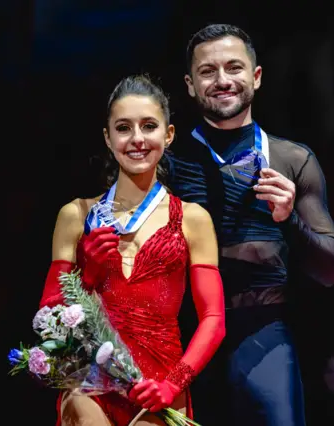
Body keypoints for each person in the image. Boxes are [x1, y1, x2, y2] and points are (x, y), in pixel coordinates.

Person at [166, 24, 334, 425]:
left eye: (234, 67)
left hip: (264, 340)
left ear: (256, 77)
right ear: (191, 85)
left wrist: (289, 220)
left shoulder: (291, 160)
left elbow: (331, 270)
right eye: (208, 71)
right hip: (183, 339)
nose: (222, 80)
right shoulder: (166, 164)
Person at [38, 75, 226, 425]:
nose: (137, 139)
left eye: (149, 126)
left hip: (156, 388)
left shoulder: (193, 219)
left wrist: (173, 385)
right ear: (108, 139)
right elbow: (48, 319)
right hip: (90, 385)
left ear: (168, 136)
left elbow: (214, 320)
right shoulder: (76, 216)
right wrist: (87, 278)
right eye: (123, 128)